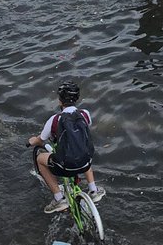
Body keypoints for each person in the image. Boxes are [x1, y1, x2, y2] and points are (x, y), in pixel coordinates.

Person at [27, 82, 105, 213]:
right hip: (86, 164)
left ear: (59, 101)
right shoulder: (85, 114)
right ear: (77, 99)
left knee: (40, 159)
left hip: (65, 165)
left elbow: (41, 139)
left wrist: (33, 141)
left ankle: (59, 199)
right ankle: (93, 190)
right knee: (82, 149)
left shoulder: (55, 120)